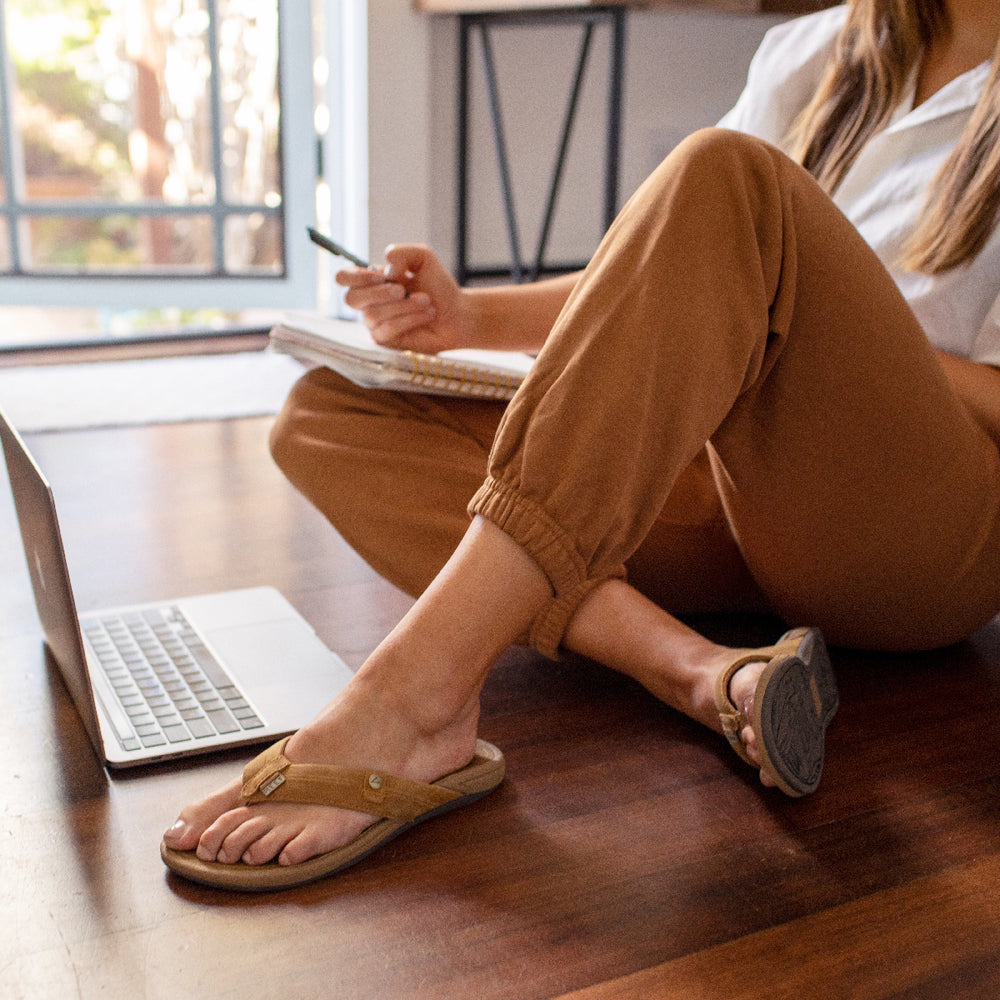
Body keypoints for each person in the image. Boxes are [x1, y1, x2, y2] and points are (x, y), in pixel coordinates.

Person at [162, 0, 1000, 891]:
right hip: (737, 490)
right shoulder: (813, 49)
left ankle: (414, 697)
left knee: (730, 177)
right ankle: (699, 672)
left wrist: (795, 322)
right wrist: (470, 318)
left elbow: (742, 262)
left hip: (925, 532)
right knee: (327, 414)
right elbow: (688, 264)